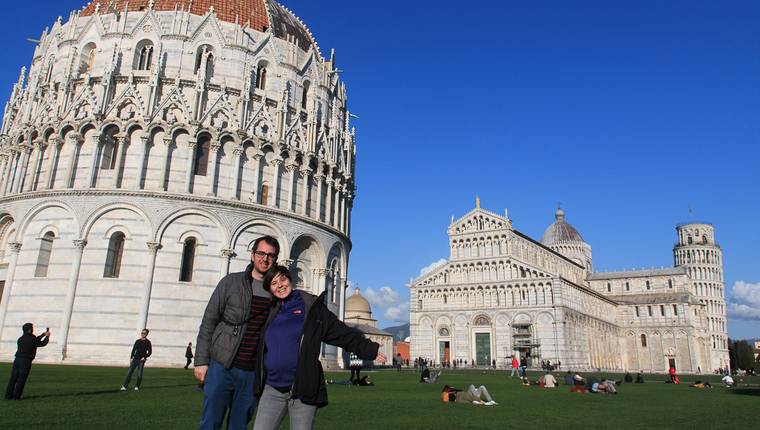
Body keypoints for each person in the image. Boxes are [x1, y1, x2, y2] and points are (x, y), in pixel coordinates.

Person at [252, 266, 386, 430]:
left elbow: (340, 332)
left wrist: (369, 349)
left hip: (303, 387)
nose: (279, 285)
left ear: (290, 280)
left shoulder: (311, 308)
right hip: (272, 388)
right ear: (269, 289)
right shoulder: (269, 310)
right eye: (273, 283)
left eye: (282, 279)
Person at [194, 235, 279, 430]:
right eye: (261, 253)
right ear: (252, 255)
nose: (265, 259)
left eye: (270, 256)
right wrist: (201, 361)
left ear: (275, 259)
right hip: (222, 365)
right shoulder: (231, 282)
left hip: (252, 373)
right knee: (210, 423)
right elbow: (209, 321)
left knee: (239, 425)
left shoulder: (276, 292)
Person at [4, 323, 50, 400]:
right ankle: (16, 396)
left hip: (17, 360)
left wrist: (42, 335)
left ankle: (8, 396)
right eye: (32, 328)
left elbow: (34, 341)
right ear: (30, 329)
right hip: (25, 361)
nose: (33, 329)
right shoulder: (32, 338)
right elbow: (42, 343)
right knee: (21, 379)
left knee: (13, 379)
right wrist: (47, 337)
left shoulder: (20, 339)